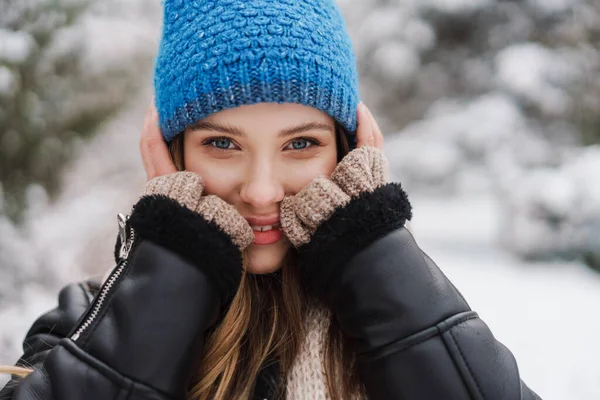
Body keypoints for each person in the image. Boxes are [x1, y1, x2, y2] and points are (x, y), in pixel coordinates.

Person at [0, 0, 541, 399]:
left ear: (348, 148)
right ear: (170, 153)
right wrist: (176, 262)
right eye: (222, 144)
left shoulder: (403, 306)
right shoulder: (86, 324)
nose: (261, 190)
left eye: (301, 143)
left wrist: (370, 246)